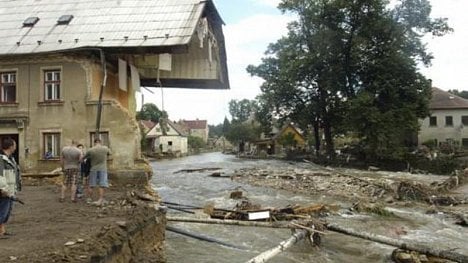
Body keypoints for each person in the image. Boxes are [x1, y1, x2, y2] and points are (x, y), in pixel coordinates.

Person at [0, 137, 21, 238]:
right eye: (15, 145)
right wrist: (3, 189)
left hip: (10, 189)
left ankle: (2, 230)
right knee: (2, 210)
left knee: (6, 211)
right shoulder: (1, 159)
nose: (16, 147)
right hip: (4, 190)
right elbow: (0, 176)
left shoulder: (10, 159)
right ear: (11, 146)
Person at [84, 138, 111, 206]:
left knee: (91, 184)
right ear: (100, 142)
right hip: (103, 169)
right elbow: (110, 154)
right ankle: (100, 199)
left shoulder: (90, 150)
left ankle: (89, 199)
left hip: (93, 169)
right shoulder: (105, 148)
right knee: (102, 185)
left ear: (94, 142)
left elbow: (84, 158)